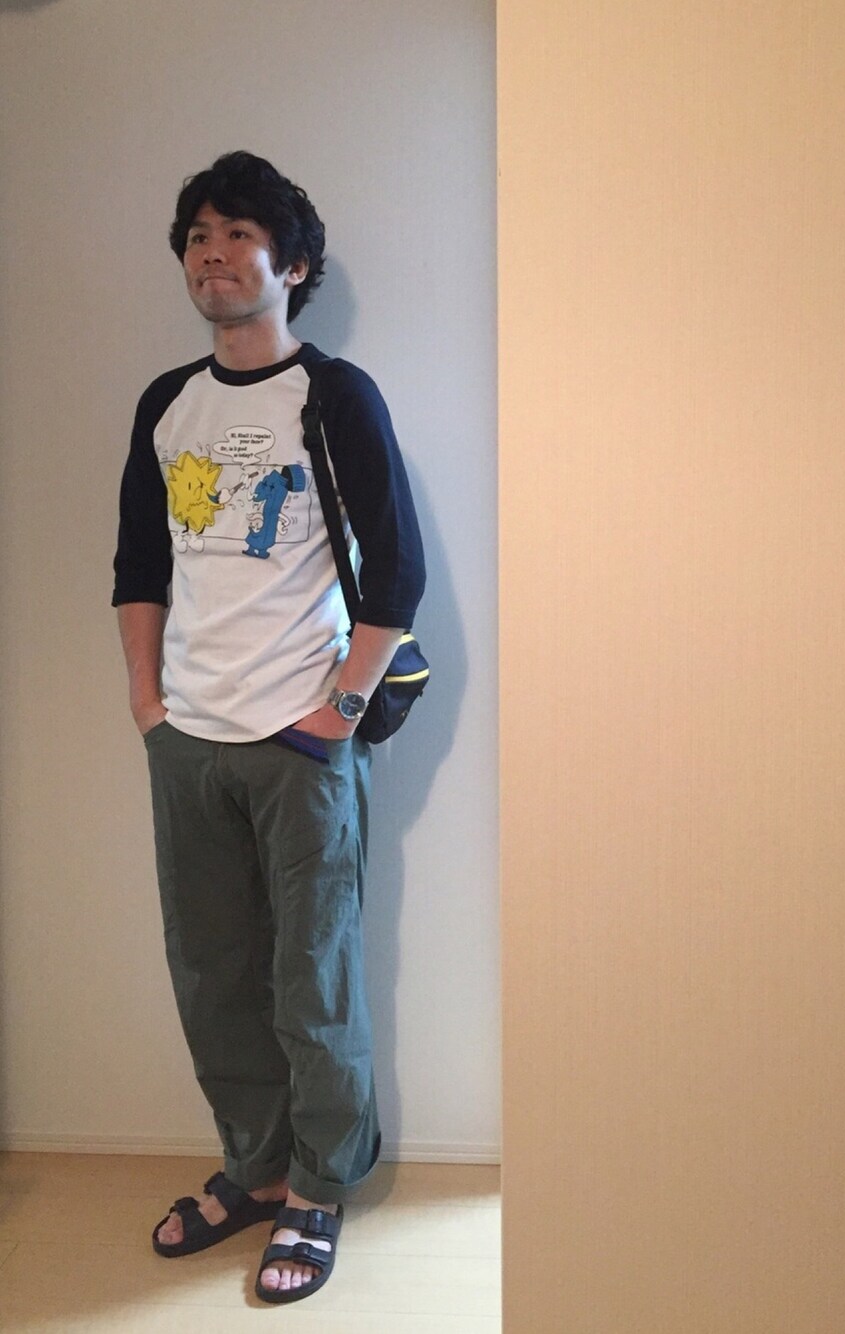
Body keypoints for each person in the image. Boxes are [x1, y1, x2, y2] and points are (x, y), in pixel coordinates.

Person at [112, 151, 425, 1304]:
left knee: (312, 976)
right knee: (212, 970)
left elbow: (396, 570)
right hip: (188, 739)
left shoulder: (334, 394)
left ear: (291, 264)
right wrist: (149, 706)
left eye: (238, 232)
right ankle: (254, 1166)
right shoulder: (167, 401)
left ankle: (320, 1183)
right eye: (197, 234)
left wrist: (334, 711)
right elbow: (139, 563)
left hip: (302, 742)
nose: (212, 252)